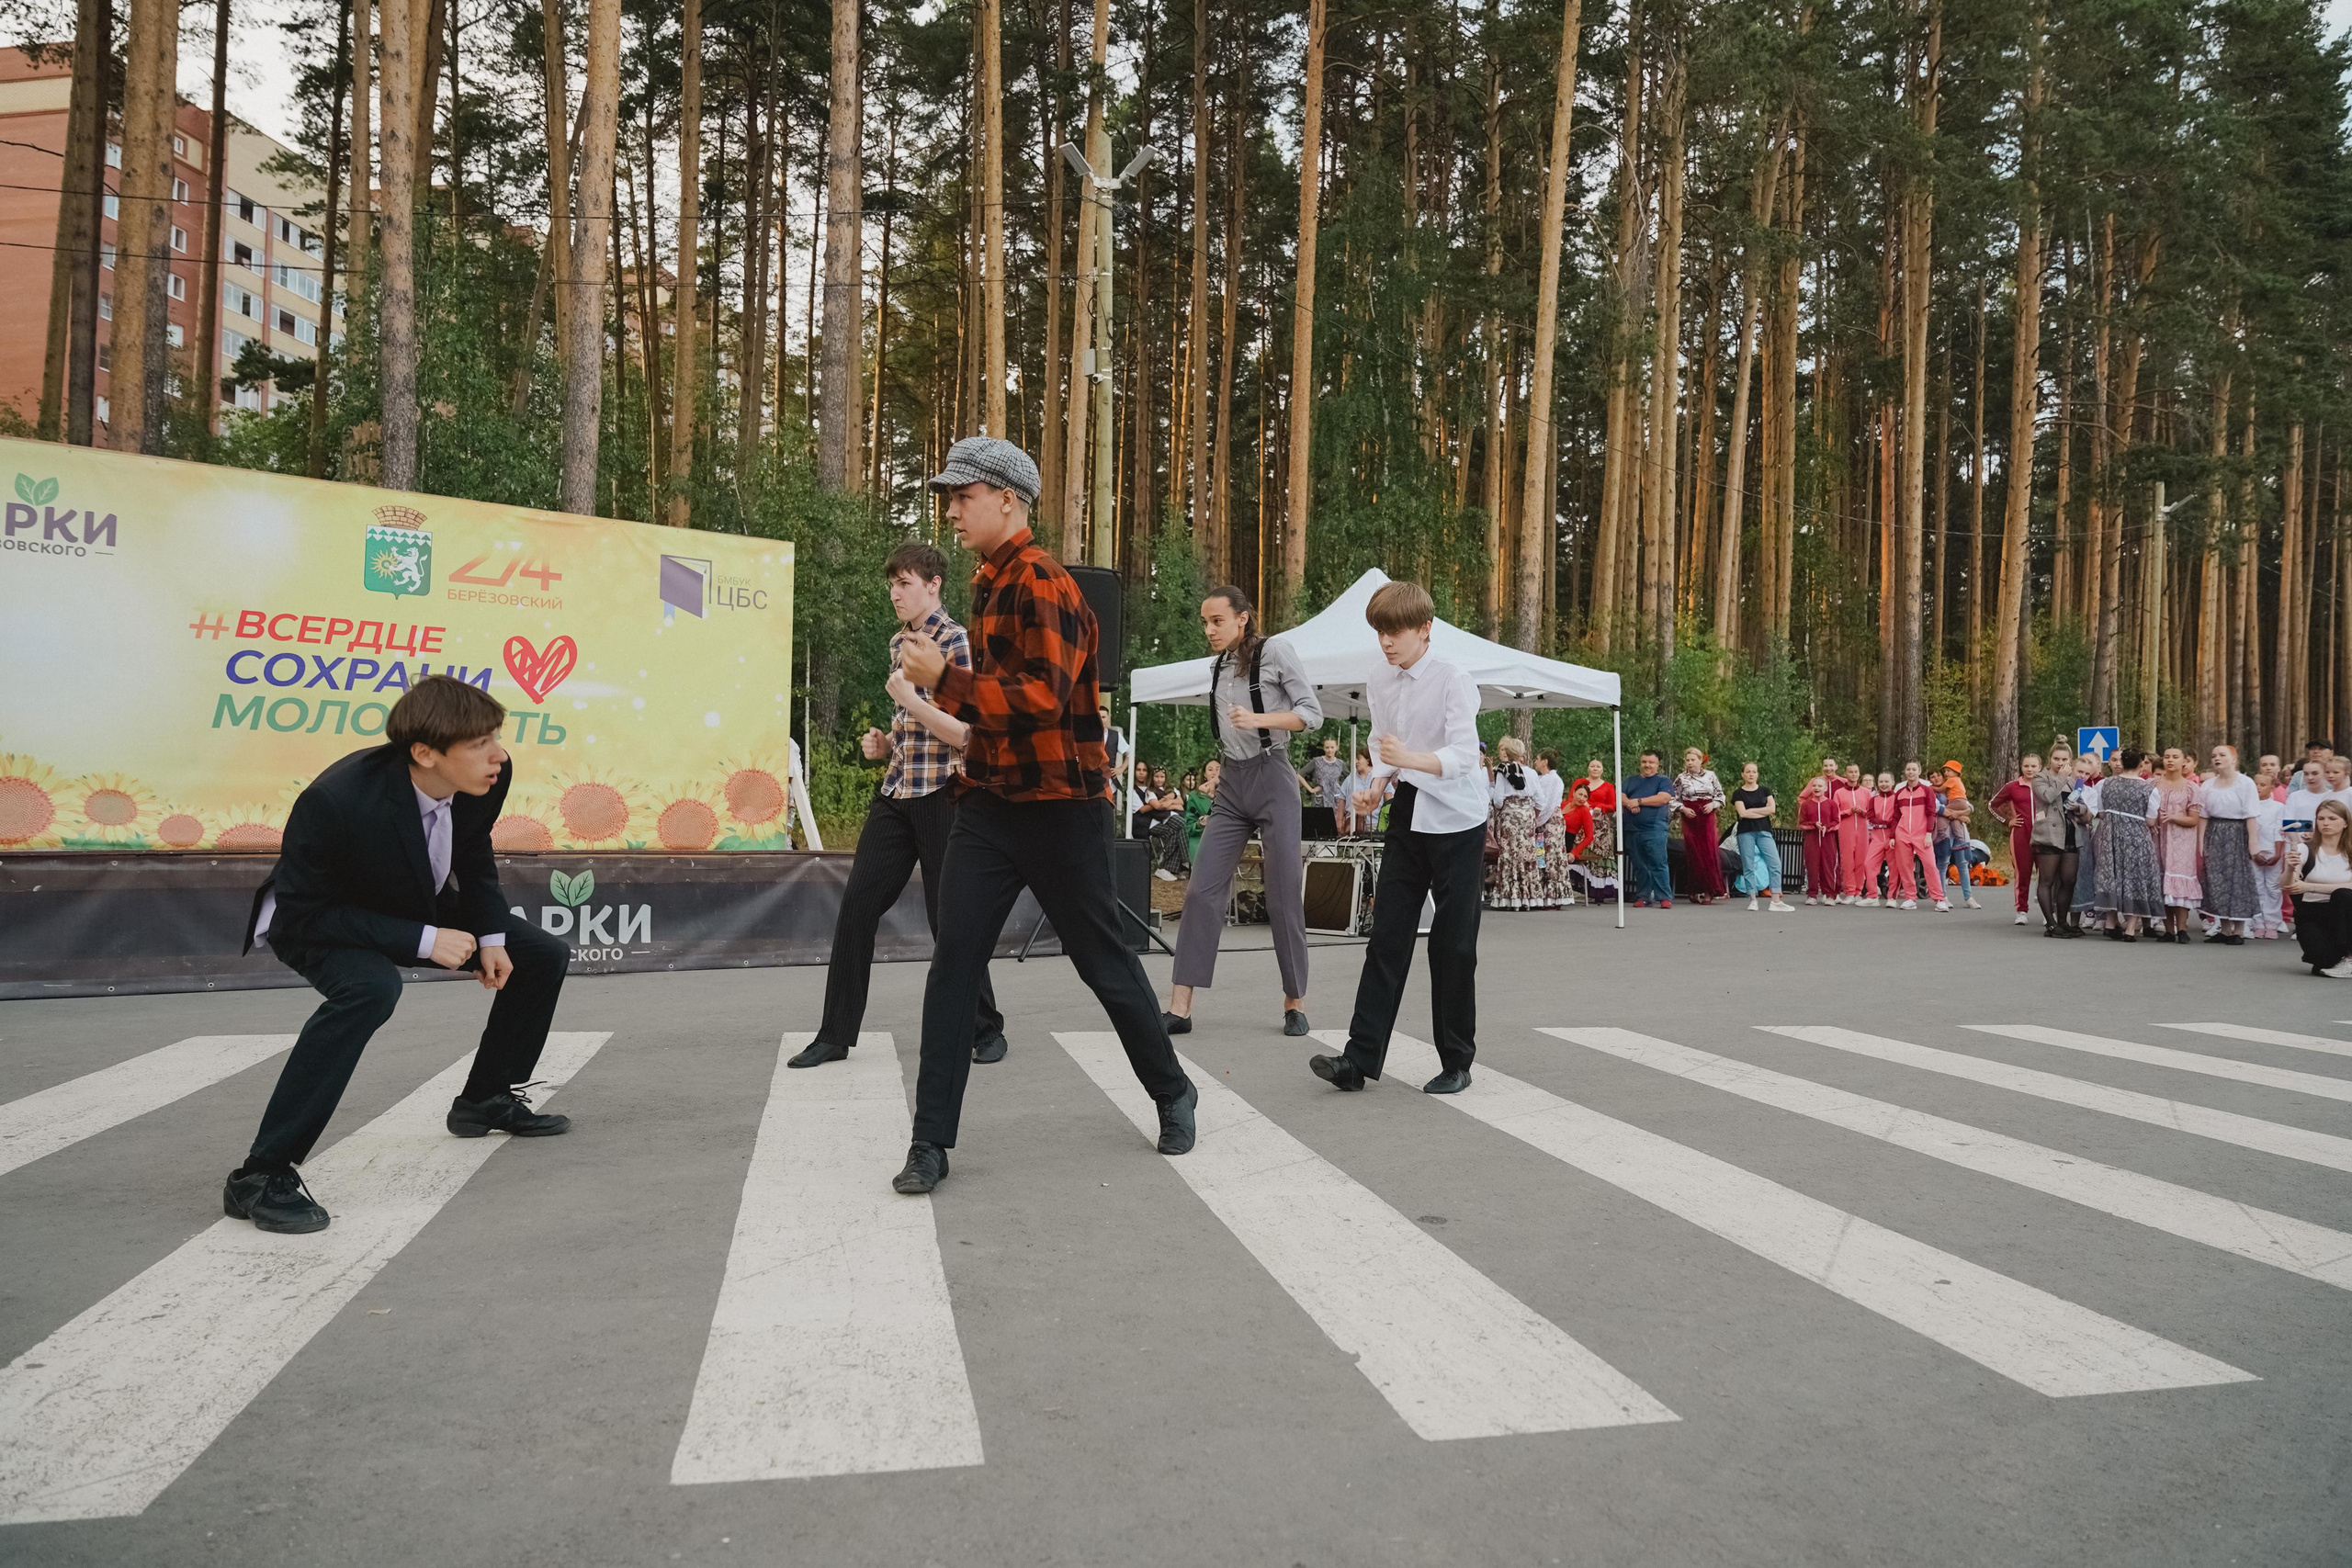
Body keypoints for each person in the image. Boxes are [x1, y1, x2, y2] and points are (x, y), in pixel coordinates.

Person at [891, 435, 1194, 1195]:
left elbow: (1044, 700)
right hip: (989, 806)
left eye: (964, 496)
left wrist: (945, 680)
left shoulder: (1045, 584)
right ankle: (930, 1141)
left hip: (1062, 810)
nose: (952, 510)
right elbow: (1002, 712)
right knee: (954, 962)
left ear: (1009, 500)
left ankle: (1171, 1089)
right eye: (950, 497)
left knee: (1102, 960)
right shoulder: (990, 583)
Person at [228, 676, 572, 1234]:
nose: (498, 755)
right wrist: (423, 940)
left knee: (539, 954)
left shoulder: (491, 775)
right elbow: (306, 911)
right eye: (480, 744)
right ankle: (259, 1176)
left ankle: (484, 1100)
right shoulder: (336, 800)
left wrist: (489, 937)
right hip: (319, 917)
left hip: (411, 895)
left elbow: (474, 850)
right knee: (369, 989)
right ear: (424, 753)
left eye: (497, 738)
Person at [792, 543, 1009, 1071]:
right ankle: (834, 1035)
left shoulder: (957, 642)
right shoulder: (899, 643)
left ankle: (985, 1028)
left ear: (933, 586)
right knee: (857, 908)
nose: (895, 592)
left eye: (905, 583)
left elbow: (968, 736)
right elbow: (910, 726)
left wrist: (912, 704)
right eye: (891, 583)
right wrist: (885, 743)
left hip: (943, 795)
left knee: (950, 920)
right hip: (896, 792)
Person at [1308, 580, 1486, 1096]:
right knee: (1386, 935)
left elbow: (1463, 754)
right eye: (1379, 633)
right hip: (1408, 808)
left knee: (1453, 945)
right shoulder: (1379, 678)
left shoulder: (1455, 679)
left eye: (1395, 632)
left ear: (1425, 630)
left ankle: (1457, 1061)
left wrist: (1406, 761)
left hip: (1459, 815)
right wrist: (1377, 788)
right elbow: (1382, 747)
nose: (1386, 643)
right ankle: (1358, 1059)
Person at [1166, 584, 1323, 1035]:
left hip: (1274, 775)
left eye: (1217, 621)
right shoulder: (1216, 665)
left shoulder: (1276, 652)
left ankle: (1295, 1003)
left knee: (1283, 891)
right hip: (1233, 784)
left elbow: (1311, 713)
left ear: (1243, 618)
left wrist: (1259, 720)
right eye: (1205, 621)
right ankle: (1180, 1008)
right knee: (1200, 891)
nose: (1209, 630)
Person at [2092, 750, 2165, 941]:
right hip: (2136, 836)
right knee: (2135, 877)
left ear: (2122, 763)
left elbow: (2100, 813)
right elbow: (2150, 821)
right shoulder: (2149, 789)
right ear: (2141, 765)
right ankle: (2131, 928)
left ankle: (2110, 922)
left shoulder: (2105, 784)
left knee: (2112, 874)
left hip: (2111, 834)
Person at [2195, 743, 2259, 944]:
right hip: (2214, 831)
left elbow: (2251, 815)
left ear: (2233, 759)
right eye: (2214, 755)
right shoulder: (2207, 785)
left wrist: (2253, 843)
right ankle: (2224, 928)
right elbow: (2203, 815)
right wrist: (2201, 843)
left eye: (2222, 755)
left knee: (2237, 880)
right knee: (2216, 879)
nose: (2217, 758)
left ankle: (2239, 930)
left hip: (2237, 832)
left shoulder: (2245, 783)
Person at [2290, 798, 2352, 976]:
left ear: (2345, 823)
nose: (2326, 823)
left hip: (2343, 911)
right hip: (2312, 913)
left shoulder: (2350, 851)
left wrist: (2309, 886)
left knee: (2343, 895)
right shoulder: (2305, 848)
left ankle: (2350, 958)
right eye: (2321, 818)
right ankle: (2337, 958)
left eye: (2332, 818)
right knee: (2323, 963)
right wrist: (2289, 868)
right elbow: (2290, 885)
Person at [2152, 746, 2203, 944]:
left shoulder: (2191, 788)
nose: (2170, 760)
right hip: (2158, 839)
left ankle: (2182, 929)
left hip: (2182, 841)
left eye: (2175, 757)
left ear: (2184, 761)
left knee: (2180, 885)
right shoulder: (2153, 784)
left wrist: (2174, 817)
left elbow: (2194, 820)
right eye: (2166, 757)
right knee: (2162, 882)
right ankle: (2168, 929)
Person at [1487, 736, 1545, 911]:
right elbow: (1540, 801)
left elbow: (1497, 800)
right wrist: (1531, 815)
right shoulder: (1532, 773)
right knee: (1526, 855)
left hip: (1509, 817)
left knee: (1509, 855)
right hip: (1527, 815)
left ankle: (1509, 896)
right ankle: (1529, 896)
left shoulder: (1503, 771)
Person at [2028, 745, 2080, 936]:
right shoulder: (2041, 777)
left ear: (2070, 760)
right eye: (2057, 759)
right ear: (2049, 759)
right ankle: (2050, 925)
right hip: (2048, 833)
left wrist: (2080, 808)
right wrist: (2061, 778)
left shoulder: (2073, 781)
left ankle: (2062, 921)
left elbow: (2082, 803)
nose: (2060, 763)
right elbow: (2048, 797)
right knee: (2047, 880)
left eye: (2064, 760)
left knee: (2068, 879)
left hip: (2070, 832)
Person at [1883, 761, 1947, 911]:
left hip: (1922, 834)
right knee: (1905, 867)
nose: (1911, 772)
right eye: (1908, 769)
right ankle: (1910, 898)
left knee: (1930, 865)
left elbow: (1931, 813)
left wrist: (1928, 833)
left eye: (1914, 769)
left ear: (1919, 771)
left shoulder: (1926, 791)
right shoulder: (1900, 793)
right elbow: (1896, 816)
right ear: (1905, 772)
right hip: (1902, 833)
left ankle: (1939, 899)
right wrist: (1893, 836)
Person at [1729, 762, 1792, 912]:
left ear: (1757, 774)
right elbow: (1742, 813)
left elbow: (1772, 809)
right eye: (1748, 772)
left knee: (1775, 863)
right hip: (1746, 832)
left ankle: (1776, 900)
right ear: (1743, 774)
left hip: (1764, 831)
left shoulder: (1765, 791)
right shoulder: (1738, 794)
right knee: (1749, 865)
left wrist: (1752, 811)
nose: (1751, 774)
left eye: (1754, 771)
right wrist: (1761, 811)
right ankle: (1752, 899)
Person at [1622, 751, 1677, 908]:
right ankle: (1643, 896)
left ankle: (1664, 897)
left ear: (1657, 764)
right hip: (1632, 829)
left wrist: (1638, 801)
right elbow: (1620, 795)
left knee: (1658, 863)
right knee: (1639, 864)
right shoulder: (1630, 780)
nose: (1647, 765)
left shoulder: (1663, 781)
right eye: (1644, 762)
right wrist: (1629, 804)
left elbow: (1663, 798)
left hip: (1654, 829)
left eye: (1651, 762)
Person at [1990, 755, 2040, 925]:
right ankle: (2021, 910)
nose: (2030, 769)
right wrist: (2007, 821)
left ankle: (2049, 912)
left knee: (2048, 875)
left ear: (2040, 767)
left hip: (2044, 835)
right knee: (2023, 873)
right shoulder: (2013, 787)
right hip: (2021, 834)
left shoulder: (2045, 785)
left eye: (2033, 766)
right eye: (2026, 765)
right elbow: (1992, 805)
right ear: (2021, 767)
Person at [1674, 748, 1726, 905]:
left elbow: (1720, 795)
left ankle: (1709, 890)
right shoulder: (1681, 778)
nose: (1690, 763)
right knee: (1693, 852)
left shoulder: (1710, 776)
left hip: (1706, 814)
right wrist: (1683, 808)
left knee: (1708, 851)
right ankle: (1693, 889)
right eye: (1687, 760)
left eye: (1693, 760)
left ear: (1700, 760)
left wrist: (1713, 804)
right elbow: (1673, 797)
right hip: (1690, 815)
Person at [2250, 756, 2289, 940]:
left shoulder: (2278, 807)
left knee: (2273, 888)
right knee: (2257, 887)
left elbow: (2278, 831)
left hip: (2273, 852)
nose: (2258, 788)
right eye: (2256, 784)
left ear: (2272, 787)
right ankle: (2257, 922)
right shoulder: (2249, 807)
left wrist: (2278, 854)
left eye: (2263, 785)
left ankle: (2272, 922)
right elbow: (2249, 832)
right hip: (2254, 853)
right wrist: (2254, 852)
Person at [1137, 765, 1192, 880]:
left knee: (1180, 832)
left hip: (1176, 814)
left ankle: (1169, 867)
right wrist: (1169, 804)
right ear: (1152, 778)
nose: (1159, 779)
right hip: (1166, 818)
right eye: (1156, 776)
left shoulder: (1171, 790)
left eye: (1162, 777)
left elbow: (1181, 804)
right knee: (1183, 825)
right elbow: (1157, 806)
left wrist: (1169, 802)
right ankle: (1187, 859)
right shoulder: (1150, 791)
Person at [1532, 750, 1570, 907]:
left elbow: (1547, 804)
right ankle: (1542, 892)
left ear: (1545, 762)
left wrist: (1537, 820)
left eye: (1538, 759)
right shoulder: (1541, 779)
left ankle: (1554, 895)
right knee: (1541, 855)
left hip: (1551, 822)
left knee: (1552, 856)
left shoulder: (1553, 780)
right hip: (1542, 822)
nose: (1535, 762)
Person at [1796, 773, 1837, 904]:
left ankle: (1829, 894)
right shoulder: (1806, 805)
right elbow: (1802, 823)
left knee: (1828, 867)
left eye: (1820, 785)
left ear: (1825, 788)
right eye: (1814, 786)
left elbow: (1837, 822)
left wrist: (1827, 827)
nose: (1817, 788)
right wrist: (1814, 825)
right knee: (1812, 866)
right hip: (1811, 841)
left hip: (1828, 840)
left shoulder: (1832, 804)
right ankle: (1812, 894)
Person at [1837, 761, 1871, 903]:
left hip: (1863, 830)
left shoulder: (1866, 792)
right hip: (1845, 830)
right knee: (1847, 861)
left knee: (1861, 861)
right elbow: (1835, 813)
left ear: (1859, 773)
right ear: (1846, 774)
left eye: (1856, 772)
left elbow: (1871, 812)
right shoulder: (1839, 792)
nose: (1853, 774)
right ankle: (1849, 892)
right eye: (1850, 772)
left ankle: (1858, 892)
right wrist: (1848, 811)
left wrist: (1863, 812)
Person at [1861, 772, 1897, 905]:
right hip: (1877, 836)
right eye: (1881, 782)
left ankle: (1892, 897)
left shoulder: (1897, 798)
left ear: (1893, 783)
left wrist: (1889, 828)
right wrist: (1881, 821)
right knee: (1868, 864)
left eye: (1886, 781)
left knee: (1894, 867)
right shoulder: (1874, 799)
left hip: (1892, 837)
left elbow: (1896, 818)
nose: (1883, 784)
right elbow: (1870, 816)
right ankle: (1872, 896)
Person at [1299, 734, 1350, 823]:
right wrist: (1311, 789)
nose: (1330, 750)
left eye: (1332, 747)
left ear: (1336, 748)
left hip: (1336, 800)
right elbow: (1299, 775)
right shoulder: (1316, 761)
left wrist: (1342, 788)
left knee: (1335, 827)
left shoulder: (1340, 764)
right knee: (1319, 825)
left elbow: (1351, 779)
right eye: (1327, 747)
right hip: (1320, 800)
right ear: (1324, 748)